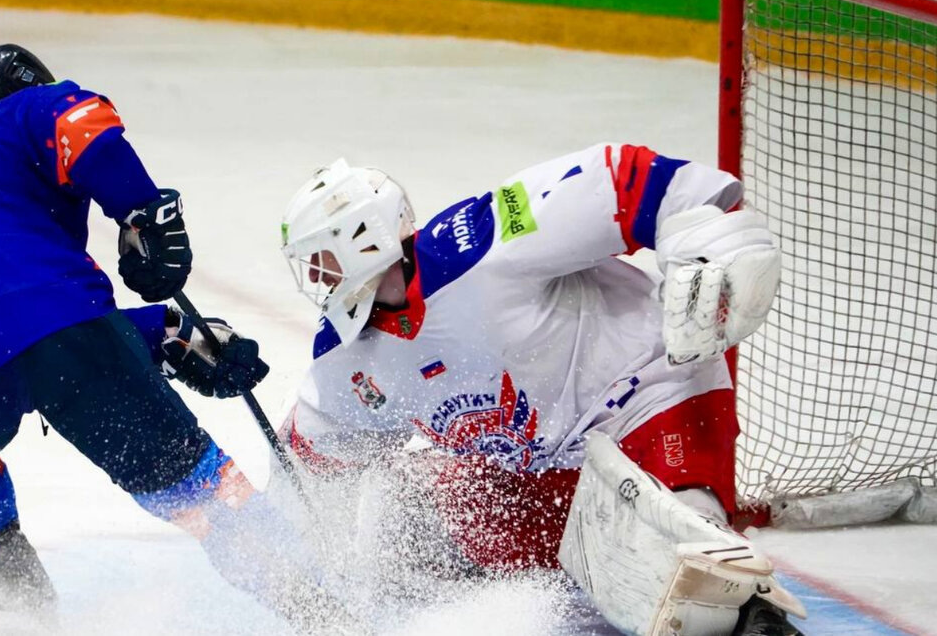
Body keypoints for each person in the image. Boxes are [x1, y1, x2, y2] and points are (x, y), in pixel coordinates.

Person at [0, 44, 317, 619]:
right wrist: (144, 214)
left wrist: (167, 332)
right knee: (197, 488)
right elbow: (79, 123)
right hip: (58, 330)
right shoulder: (19, 113)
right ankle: (325, 609)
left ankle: (8, 565)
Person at [277, 146, 807, 635]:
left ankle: (756, 619)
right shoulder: (344, 355)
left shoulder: (484, 243)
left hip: (651, 398)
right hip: (543, 472)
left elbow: (626, 179)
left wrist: (711, 242)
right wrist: (292, 544)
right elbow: (312, 452)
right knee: (407, 514)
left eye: (321, 257)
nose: (316, 277)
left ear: (365, 238)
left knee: (693, 572)